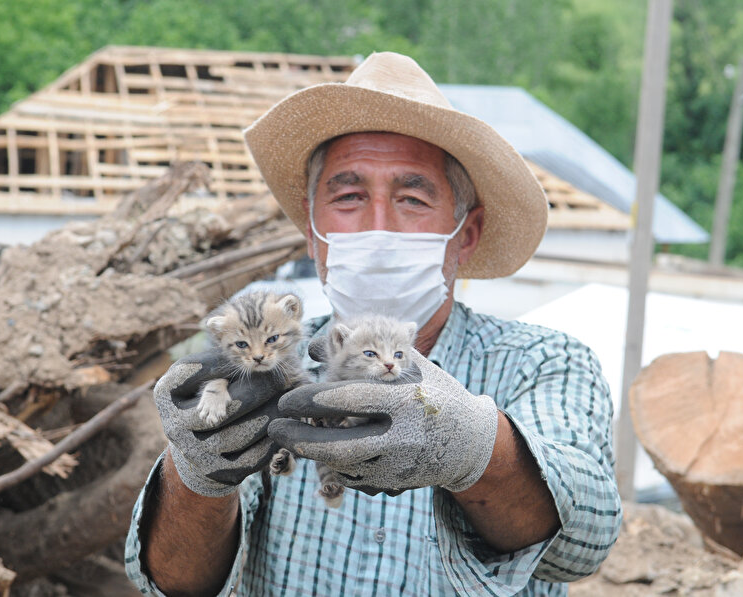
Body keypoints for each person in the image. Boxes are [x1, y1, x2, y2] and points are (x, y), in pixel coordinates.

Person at [125, 52, 622, 596]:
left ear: (467, 233)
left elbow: (586, 539)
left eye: (412, 198)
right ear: (313, 232)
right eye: (349, 197)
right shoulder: (269, 369)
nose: (378, 227)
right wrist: (198, 473)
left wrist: (475, 448)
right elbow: (168, 584)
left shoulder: (542, 362)